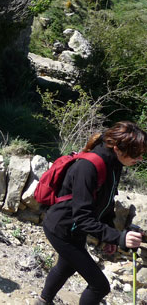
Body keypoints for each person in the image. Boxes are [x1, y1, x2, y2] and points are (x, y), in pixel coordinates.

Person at [36, 121, 147, 305]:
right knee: (100, 286)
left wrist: (109, 235)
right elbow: (82, 217)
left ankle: (42, 301)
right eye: (137, 153)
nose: (140, 159)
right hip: (61, 228)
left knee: (66, 267)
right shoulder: (88, 167)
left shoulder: (114, 164)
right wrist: (118, 238)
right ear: (119, 148)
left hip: (72, 228)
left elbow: (106, 201)